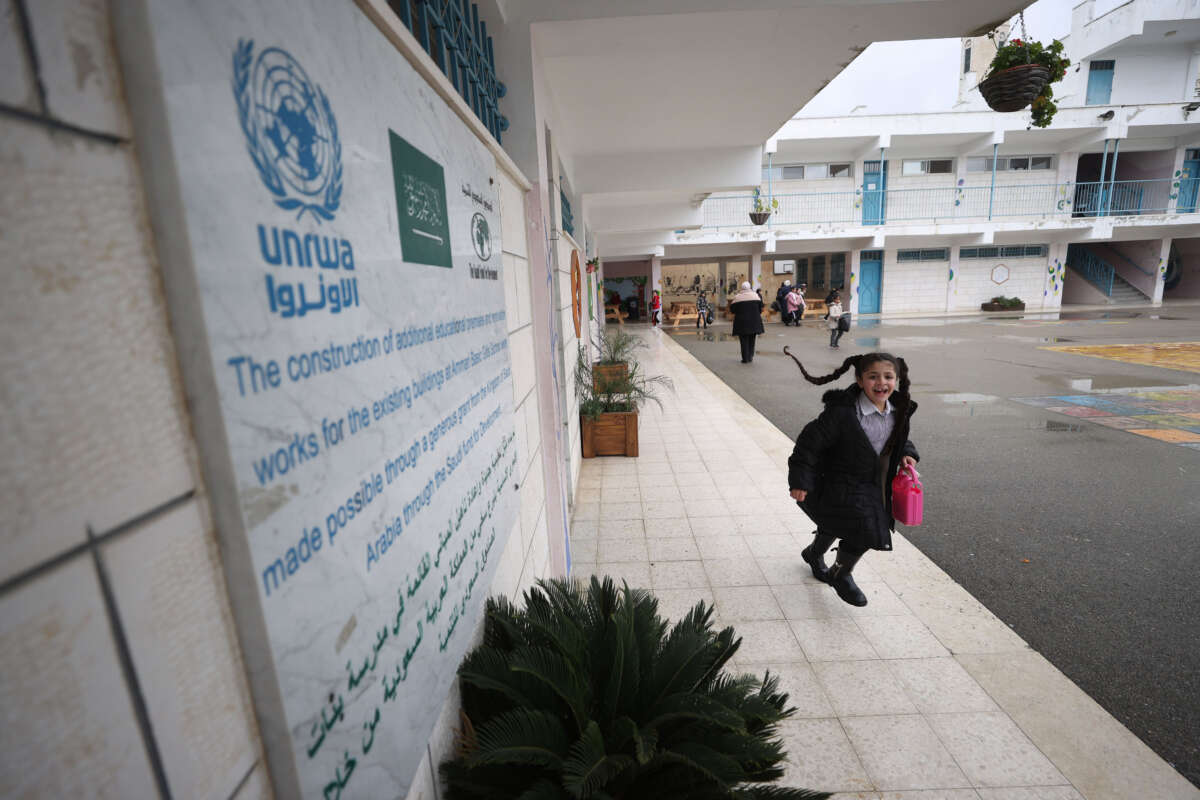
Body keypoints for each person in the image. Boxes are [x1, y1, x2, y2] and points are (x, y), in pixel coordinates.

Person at [783, 350, 919, 607]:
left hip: (872, 483)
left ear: (897, 379)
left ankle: (813, 553)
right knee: (866, 530)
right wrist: (800, 480)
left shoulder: (899, 410)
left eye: (888, 376)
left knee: (839, 522)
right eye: (873, 377)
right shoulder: (842, 413)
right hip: (838, 480)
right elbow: (808, 445)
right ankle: (841, 573)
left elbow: (898, 439)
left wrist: (907, 453)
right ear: (859, 380)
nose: (881, 383)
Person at [729, 281, 763, 363]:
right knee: (752, 339)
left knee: (743, 341)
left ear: (742, 288)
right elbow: (760, 308)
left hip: (742, 323)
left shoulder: (737, 297)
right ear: (750, 287)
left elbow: (732, 310)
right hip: (754, 322)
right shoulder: (756, 296)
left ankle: (745, 358)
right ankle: (750, 356)